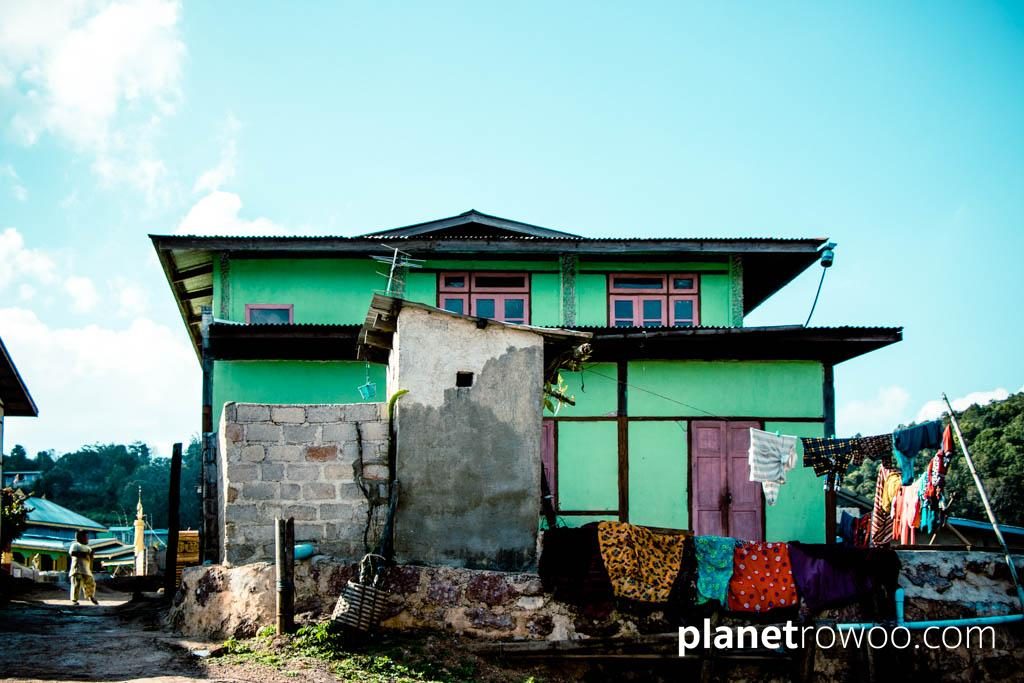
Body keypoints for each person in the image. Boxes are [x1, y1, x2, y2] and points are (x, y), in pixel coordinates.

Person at [68, 530, 98, 605]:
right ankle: (74, 600)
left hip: (86, 570)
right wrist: (84, 554)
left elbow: (90, 558)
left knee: (91, 583)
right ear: (79, 538)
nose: (88, 539)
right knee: (76, 585)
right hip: (77, 569)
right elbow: (72, 553)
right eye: (86, 537)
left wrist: (91, 554)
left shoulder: (88, 548)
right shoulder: (75, 545)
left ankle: (90, 596)